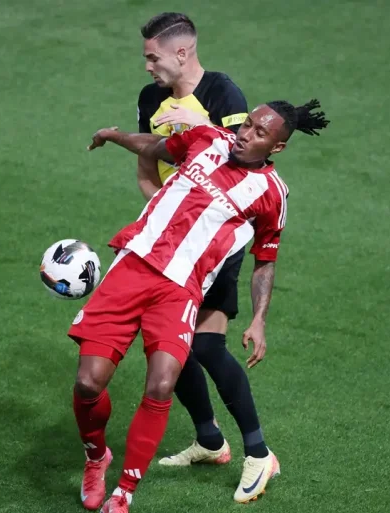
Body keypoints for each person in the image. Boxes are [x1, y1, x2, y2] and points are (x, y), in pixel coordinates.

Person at [70, 99, 329, 512]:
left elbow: (265, 261)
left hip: (180, 291)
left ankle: (124, 493)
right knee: (87, 383)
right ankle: (97, 456)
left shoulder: (272, 194)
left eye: (260, 133)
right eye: (247, 124)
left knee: (161, 384)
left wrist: (259, 320)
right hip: (132, 266)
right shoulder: (208, 138)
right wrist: (115, 136)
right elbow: (156, 147)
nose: (246, 134)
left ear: (277, 147)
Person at [133, 12, 278, 502]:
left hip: (216, 245)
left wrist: (201, 126)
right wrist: (162, 215)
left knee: (207, 347)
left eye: (153, 57)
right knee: (165, 345)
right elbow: (148, 161)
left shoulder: (224, 95)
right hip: (168, 244)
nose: (147, 66)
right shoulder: (149, 99)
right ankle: (210, 440)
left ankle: (258, 452)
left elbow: (246, 163)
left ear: (182, 52)